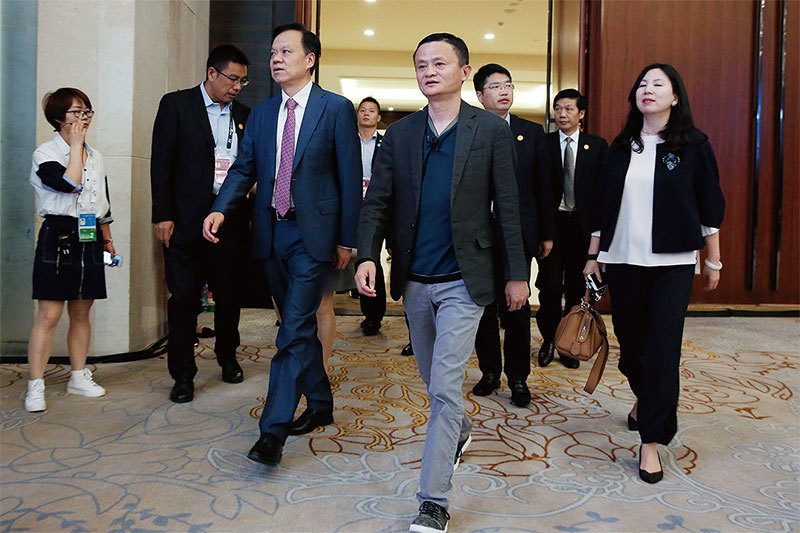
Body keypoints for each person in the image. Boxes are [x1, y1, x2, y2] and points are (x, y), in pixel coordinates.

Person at [356, 33, 528, 533]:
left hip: (464, 280)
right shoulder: (400, 134)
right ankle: (460, 428)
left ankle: (433, 501)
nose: (429, 72)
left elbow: (508, 206)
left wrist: (517, 273)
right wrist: (366, 255)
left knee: (447, 385)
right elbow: (377, 201)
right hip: (414, 279)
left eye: (439, 63)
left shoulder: (489, 130)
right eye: (421, 65)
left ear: (464, 71)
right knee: (434, 383)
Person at [204, 23, 361, 465]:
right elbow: (244, 169)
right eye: (273, 52)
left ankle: (271, 433)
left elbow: (350, 178)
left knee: (291, 329)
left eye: (286, 51)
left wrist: (347, 239)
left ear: (310, 59)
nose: (276, 58)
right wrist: (220, 208)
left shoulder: (335, 108)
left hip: (314, 236)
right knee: (300, 328)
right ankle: (321, 404)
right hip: (272, 232)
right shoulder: (262, 113)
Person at [584, 64, 724, 484]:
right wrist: (593, 255)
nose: (648, 89)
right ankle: (647, 400)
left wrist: (713, 261)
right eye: (642, 84)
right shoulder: (621, 146)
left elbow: (709, 206)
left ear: (675, 97)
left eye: (658, 84)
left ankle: (650, 441)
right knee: (632, 351)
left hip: (672, 264)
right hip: (623, 261)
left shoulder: (693, 145)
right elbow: (602, 205)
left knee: (662, 351)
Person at [151, 45, 252, 403]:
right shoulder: (176, 105)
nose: (237, 86)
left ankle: (227, 356)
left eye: (242, 81)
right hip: (185, 220)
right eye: (232, 79)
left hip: (229, 220)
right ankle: (183, 374)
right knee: (183, 298)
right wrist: (162, 214)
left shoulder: (244, 114)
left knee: (229, 294)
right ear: (212, 73)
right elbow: (161, 163)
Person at [25, 88, 115, 412]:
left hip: (89, 232)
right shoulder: (45, 153)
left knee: (81, 311)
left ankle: (78, 375)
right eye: (76, 112)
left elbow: (102, 201)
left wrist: (108, 240)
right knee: (49, 315)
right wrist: (76, 146)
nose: (83, 118)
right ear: (58, 118)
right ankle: (36, 384)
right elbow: (69, 183)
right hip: (58, 233)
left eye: (87, 111)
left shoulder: (96, 155)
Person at [471, 63, 554, 407]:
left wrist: (547, 233)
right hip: (479, 234)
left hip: (519, 232)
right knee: (483, 306)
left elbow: (544, 187)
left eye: (508, 85)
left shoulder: (530, 132)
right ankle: (490, 371)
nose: (504, 91)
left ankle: (518, 377)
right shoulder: (470, 129)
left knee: (517, 305)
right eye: (495, 86)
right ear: (480, 95)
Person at [537, 88, 608, 369]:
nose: (562, 114)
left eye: (568, 109)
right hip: (552, 228)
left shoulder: (597, 146)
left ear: (581, 114)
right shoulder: (543, 144)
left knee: (577, 288)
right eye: (558, 109)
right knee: (550, 287)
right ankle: (549, 339)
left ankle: (568, 343)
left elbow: (603, 193)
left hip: (582, 229)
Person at [355, 97, 386, 337]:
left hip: (379, 207)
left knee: (372, 257)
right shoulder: (347, 142)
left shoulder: (386, 144)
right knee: (361, 259)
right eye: (363, 110)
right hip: (352, 206)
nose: (366, 114)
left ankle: (375, 315)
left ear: (378, 117)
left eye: (371, 111)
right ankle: (368, 313)